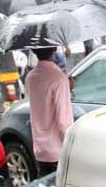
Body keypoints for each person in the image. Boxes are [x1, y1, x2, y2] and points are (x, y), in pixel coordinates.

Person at [24, 46, 74, 177]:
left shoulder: (30, 77)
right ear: (55, 49)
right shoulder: (58, 78)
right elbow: (64, 121)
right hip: (58, 150)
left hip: (40, 149)